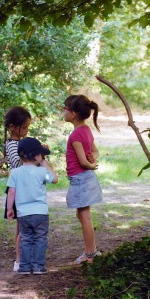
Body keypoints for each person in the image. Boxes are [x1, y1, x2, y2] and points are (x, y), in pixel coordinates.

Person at [6, 137, 58, 275]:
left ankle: (24, 266)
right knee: (40, 238)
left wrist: (9, 209)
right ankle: (38, 266)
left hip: (23, 213)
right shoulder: (41, 172)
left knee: (26, 238)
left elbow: (11, 192)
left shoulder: (15, 173)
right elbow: (55, 179)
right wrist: (44, 163)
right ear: (36, 156)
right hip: (40, 213)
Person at [63, 94, 103, 264]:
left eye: (65, 109)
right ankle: (91, 251)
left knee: (84, 216)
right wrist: (93, 159)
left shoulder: (76, 135)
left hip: (81, 178)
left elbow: (83, 161)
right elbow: (95, 151)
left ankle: (90, 254)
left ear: (73, 113)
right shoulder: (85, 130)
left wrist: (91, 164)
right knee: (83, 215)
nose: (63, 112)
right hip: (84, 178)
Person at [3, 106, 32, 272]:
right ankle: (19, 260)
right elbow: (19, 164)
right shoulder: (13, 145)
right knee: (22, 227)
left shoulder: (20, 143)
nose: (26, 130)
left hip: (25, 188)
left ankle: (22, 257)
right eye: (24, 127)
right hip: (20, 189)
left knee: (23, 226)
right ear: (12, 127)